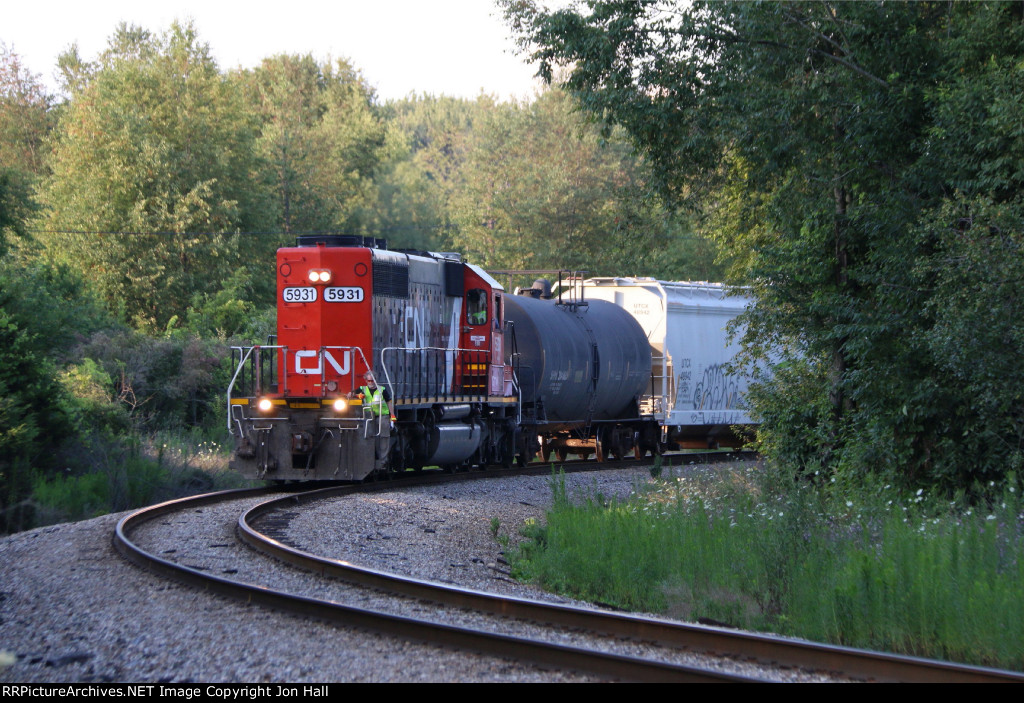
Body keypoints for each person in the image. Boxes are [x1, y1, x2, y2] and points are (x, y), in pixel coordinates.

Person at [355, 371, 392, 467]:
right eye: (369, 380)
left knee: (383, 435)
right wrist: (357, 396)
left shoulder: (382, 390)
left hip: (382, 415)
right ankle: (367, 458)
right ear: (366, 380)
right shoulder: (362, 389)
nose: (371, 382)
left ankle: (383, 459)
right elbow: (350, 394)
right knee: (367, 435)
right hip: (368, 416)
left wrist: (392, 416)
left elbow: (389, 402)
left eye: (372, 380)